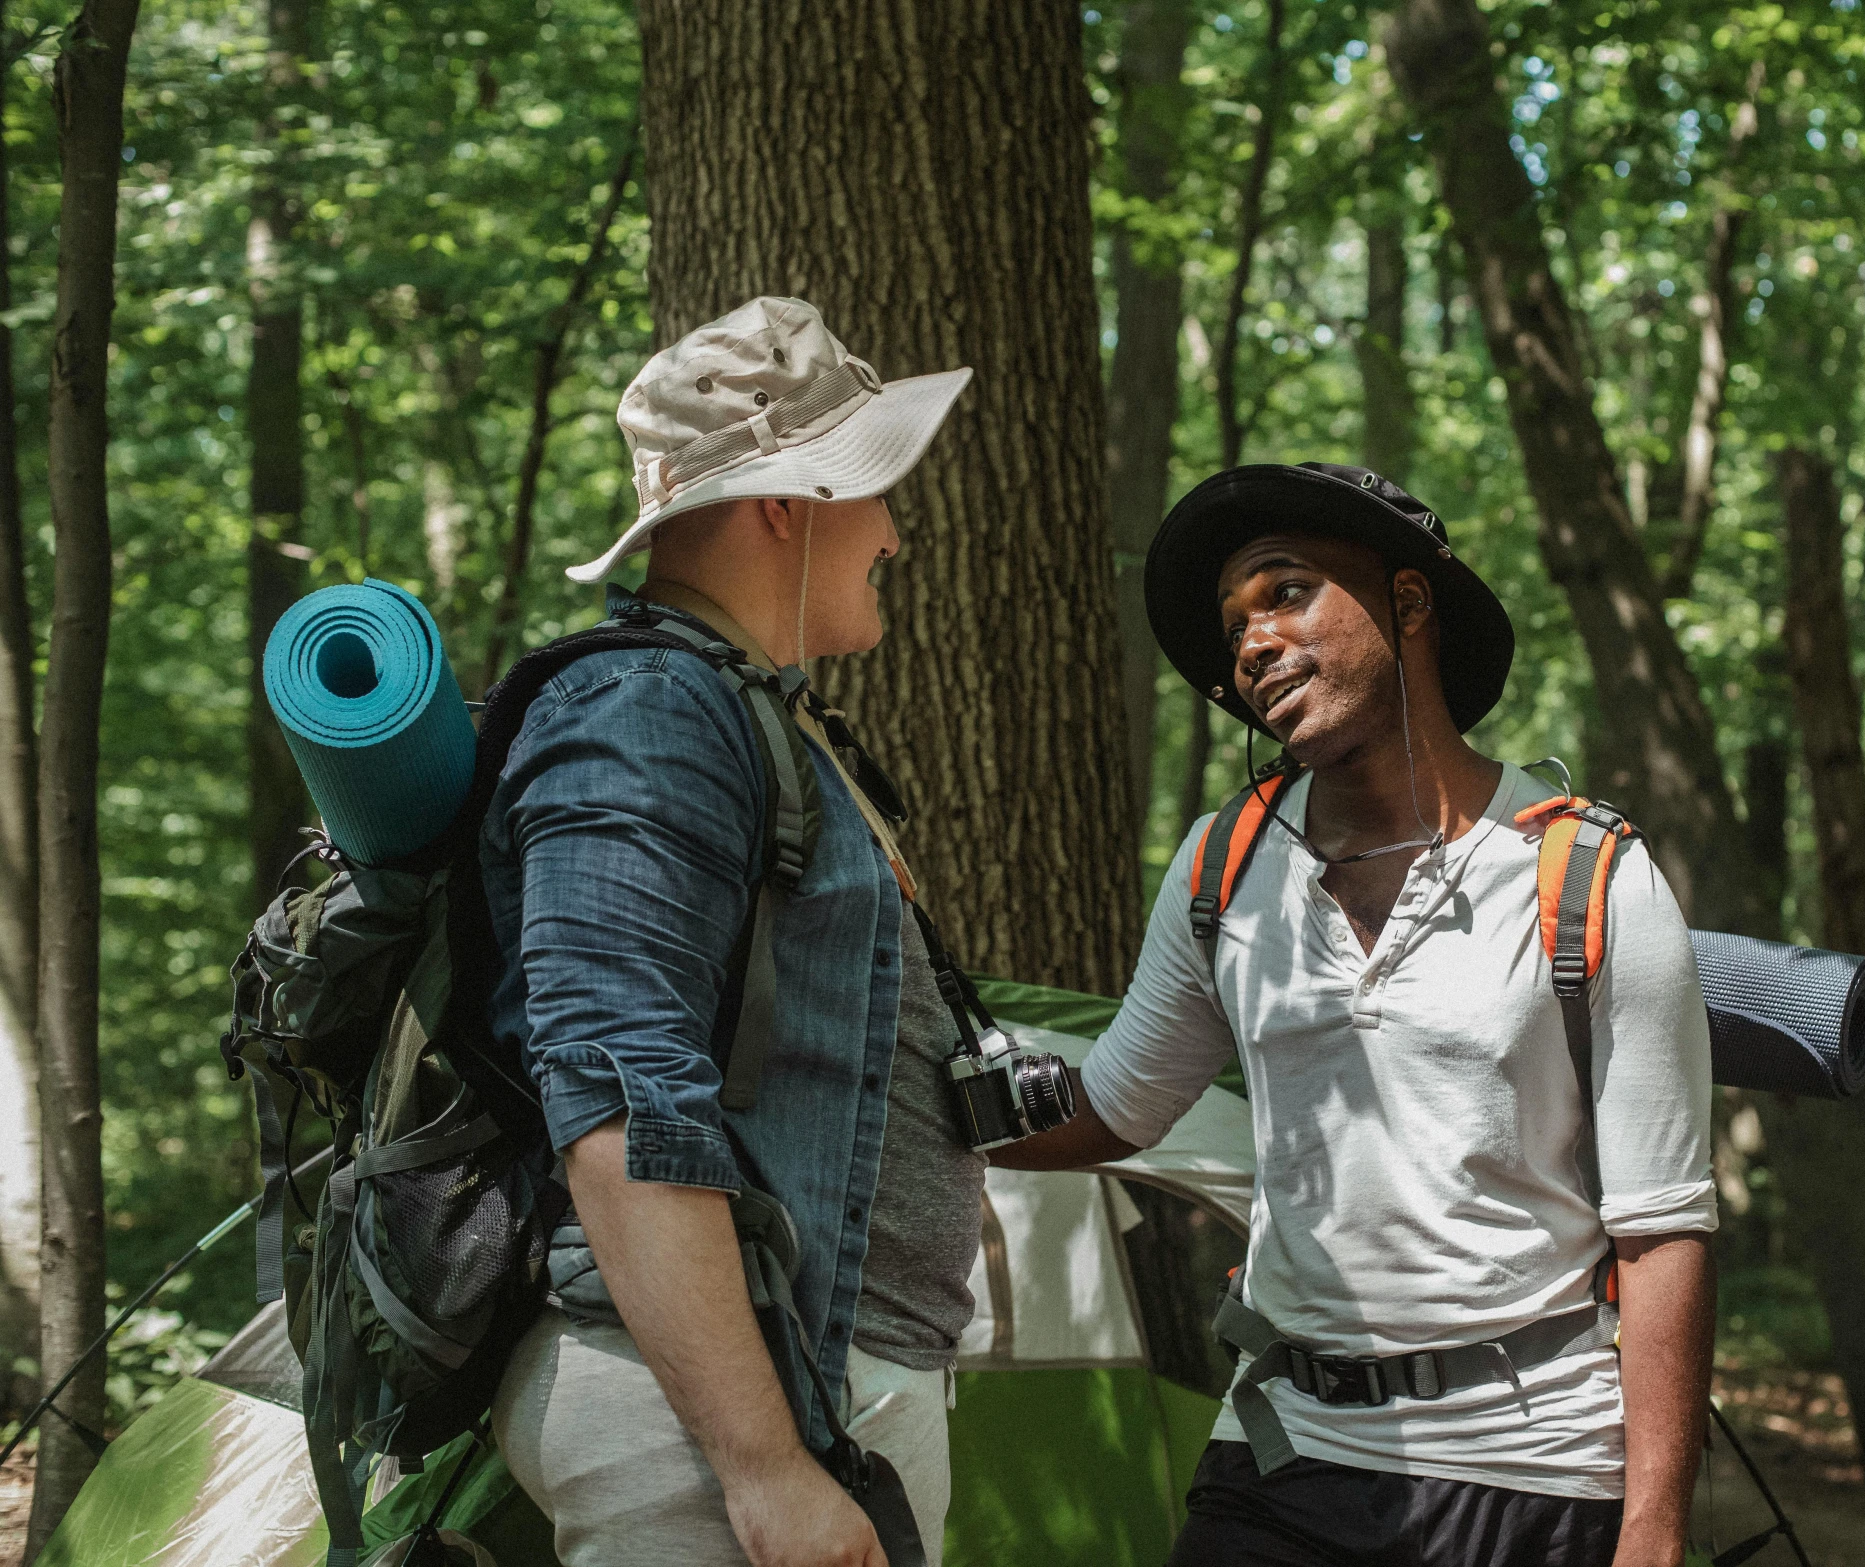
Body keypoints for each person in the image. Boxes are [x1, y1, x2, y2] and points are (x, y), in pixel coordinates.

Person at [998, 463, 1719, 1567]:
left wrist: (1654, 1530)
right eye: (1235, 625)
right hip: (1279, 1448)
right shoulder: (1221, 865)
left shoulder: (1586, 876)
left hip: (1525, 1468)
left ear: (1409, 604)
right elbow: (1118, 1105)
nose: (1250, 643)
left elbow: (1662, 1228)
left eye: (1283, 591)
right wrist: (901, 1097)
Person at [481, 297, 984, 1567]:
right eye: (876, 491)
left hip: (800, 1387)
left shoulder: (734, 709)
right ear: (785, 501)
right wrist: (762, 1467)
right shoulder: (648, 707)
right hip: (724, 1427)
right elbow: (611, 1094)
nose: (896, 533)